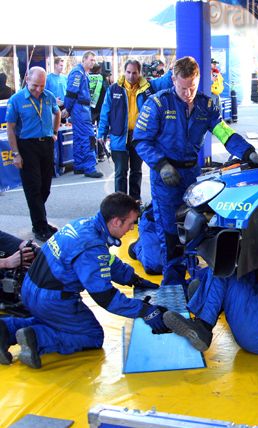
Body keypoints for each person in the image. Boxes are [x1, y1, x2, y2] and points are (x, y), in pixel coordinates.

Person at [133, 56, 258, 286]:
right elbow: (141, 140)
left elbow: (223, 132)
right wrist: (161, 165)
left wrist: (248, 153)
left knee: (193, 224)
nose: (188, 94)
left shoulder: (207, 105)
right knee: (169, 230)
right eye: (183, 88)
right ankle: (172, 282)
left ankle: (187, 266)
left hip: (191, 174)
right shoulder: (158, 104)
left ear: (198, 79)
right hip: (165, 176)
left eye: (192, 87)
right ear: (173, 79)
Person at [0, 193, 168, 369]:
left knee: (58, 323)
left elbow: (107, 260)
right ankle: (36, 338)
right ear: (116, 222)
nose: (131, 228)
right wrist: (145, 311)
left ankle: (6, 329)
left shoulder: (84, 225)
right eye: (131, 223)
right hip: (52, 300)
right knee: (91, 335)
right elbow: (106, 298)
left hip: (29, 288)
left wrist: (132, 278)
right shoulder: (92, 248)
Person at [98, 59, 173, 202]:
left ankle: (135, 202)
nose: (131, 76)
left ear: (140, 73)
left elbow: (165, 82)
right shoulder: (113, 89)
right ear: (124, 72)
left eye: (134, 73)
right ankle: (120, 204)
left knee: (136, 171)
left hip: (139, 138)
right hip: (119, 137)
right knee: (120, 172)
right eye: (128, 72)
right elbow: (105, 112)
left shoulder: (149, 87)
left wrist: (173, 70)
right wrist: (101, 132)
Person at [6, 67, 61, 242]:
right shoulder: (16, 100)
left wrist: (55, 132)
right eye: (35, 85)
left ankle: (40, 219)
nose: (38, 89)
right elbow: (10, 128)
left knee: (45, 187)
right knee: (33, 188)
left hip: (46, 144)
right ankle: (40, 226)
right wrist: (16, 154)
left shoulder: (48, 96)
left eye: (42, 86)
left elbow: (57, 112)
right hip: (27, 146)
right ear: (27, 79)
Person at [64, 51, 103, 178]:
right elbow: (71, 93)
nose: (93, 62)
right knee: (88, 137)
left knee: (79, 137)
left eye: (94, 60)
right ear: (84, 59)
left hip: (81, 108)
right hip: (80, 108)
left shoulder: (83, 73)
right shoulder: (78, 73)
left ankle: (79, 165)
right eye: (91, 60)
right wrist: (67, 109)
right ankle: (89, 167)